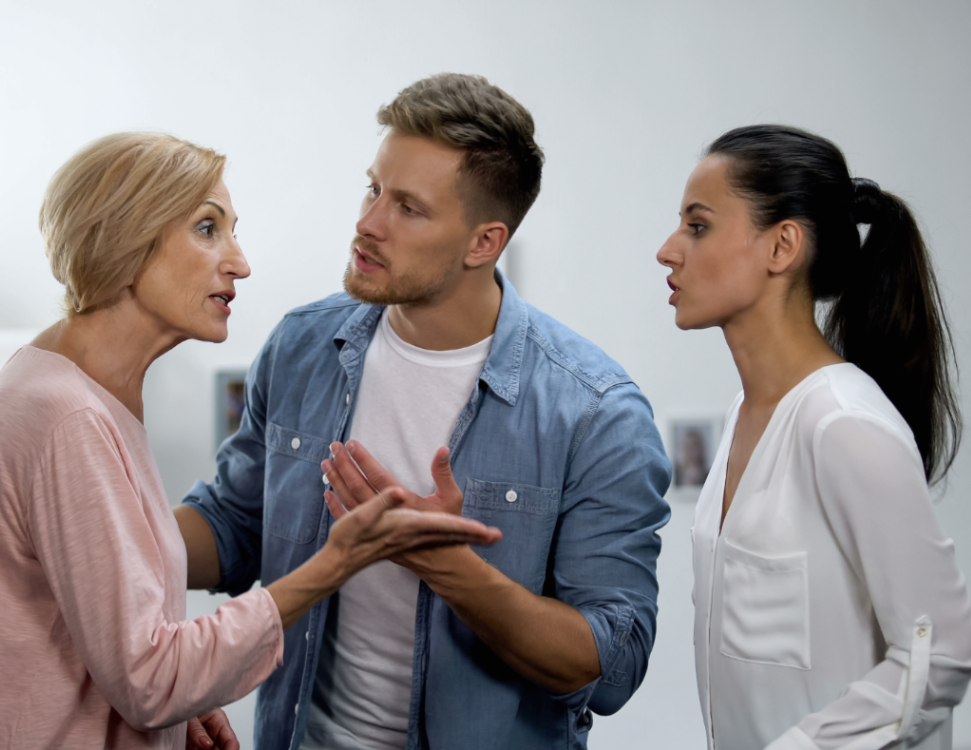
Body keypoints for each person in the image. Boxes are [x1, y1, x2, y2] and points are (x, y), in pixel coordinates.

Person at [0, 132, 501, 750]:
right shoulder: (66, 420)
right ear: (125, 241)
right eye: (206, 228)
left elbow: (95, 627)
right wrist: (339, 559)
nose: (239, 262)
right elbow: (149, 676)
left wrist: (173, 710)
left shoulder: (74, 390)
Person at [176, 74, 672, 750]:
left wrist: (448, 566)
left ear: (483, 242)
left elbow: (612, 667)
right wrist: (101, 536)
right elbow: (233, 526)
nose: (368, 222)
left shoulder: (596, 414)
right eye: (374, 188)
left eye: (409, 208)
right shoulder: (302, 346)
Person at [656, 124, 971, 749]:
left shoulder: (844, 424)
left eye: (698, 226)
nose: (668, 250)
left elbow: (944, 651)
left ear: (782, 247)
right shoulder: (745, 415)